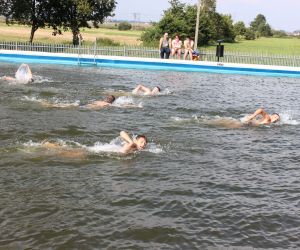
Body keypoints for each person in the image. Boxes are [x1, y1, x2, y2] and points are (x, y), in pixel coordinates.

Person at [41, 95, 115, 109]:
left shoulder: (102, 102)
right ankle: (51, 106)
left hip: (85, 104)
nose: (106, 98)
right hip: (86, 106)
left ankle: (51, 105)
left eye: (107, 98)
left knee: (68, 105)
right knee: (68, 106)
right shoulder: (107, 104)